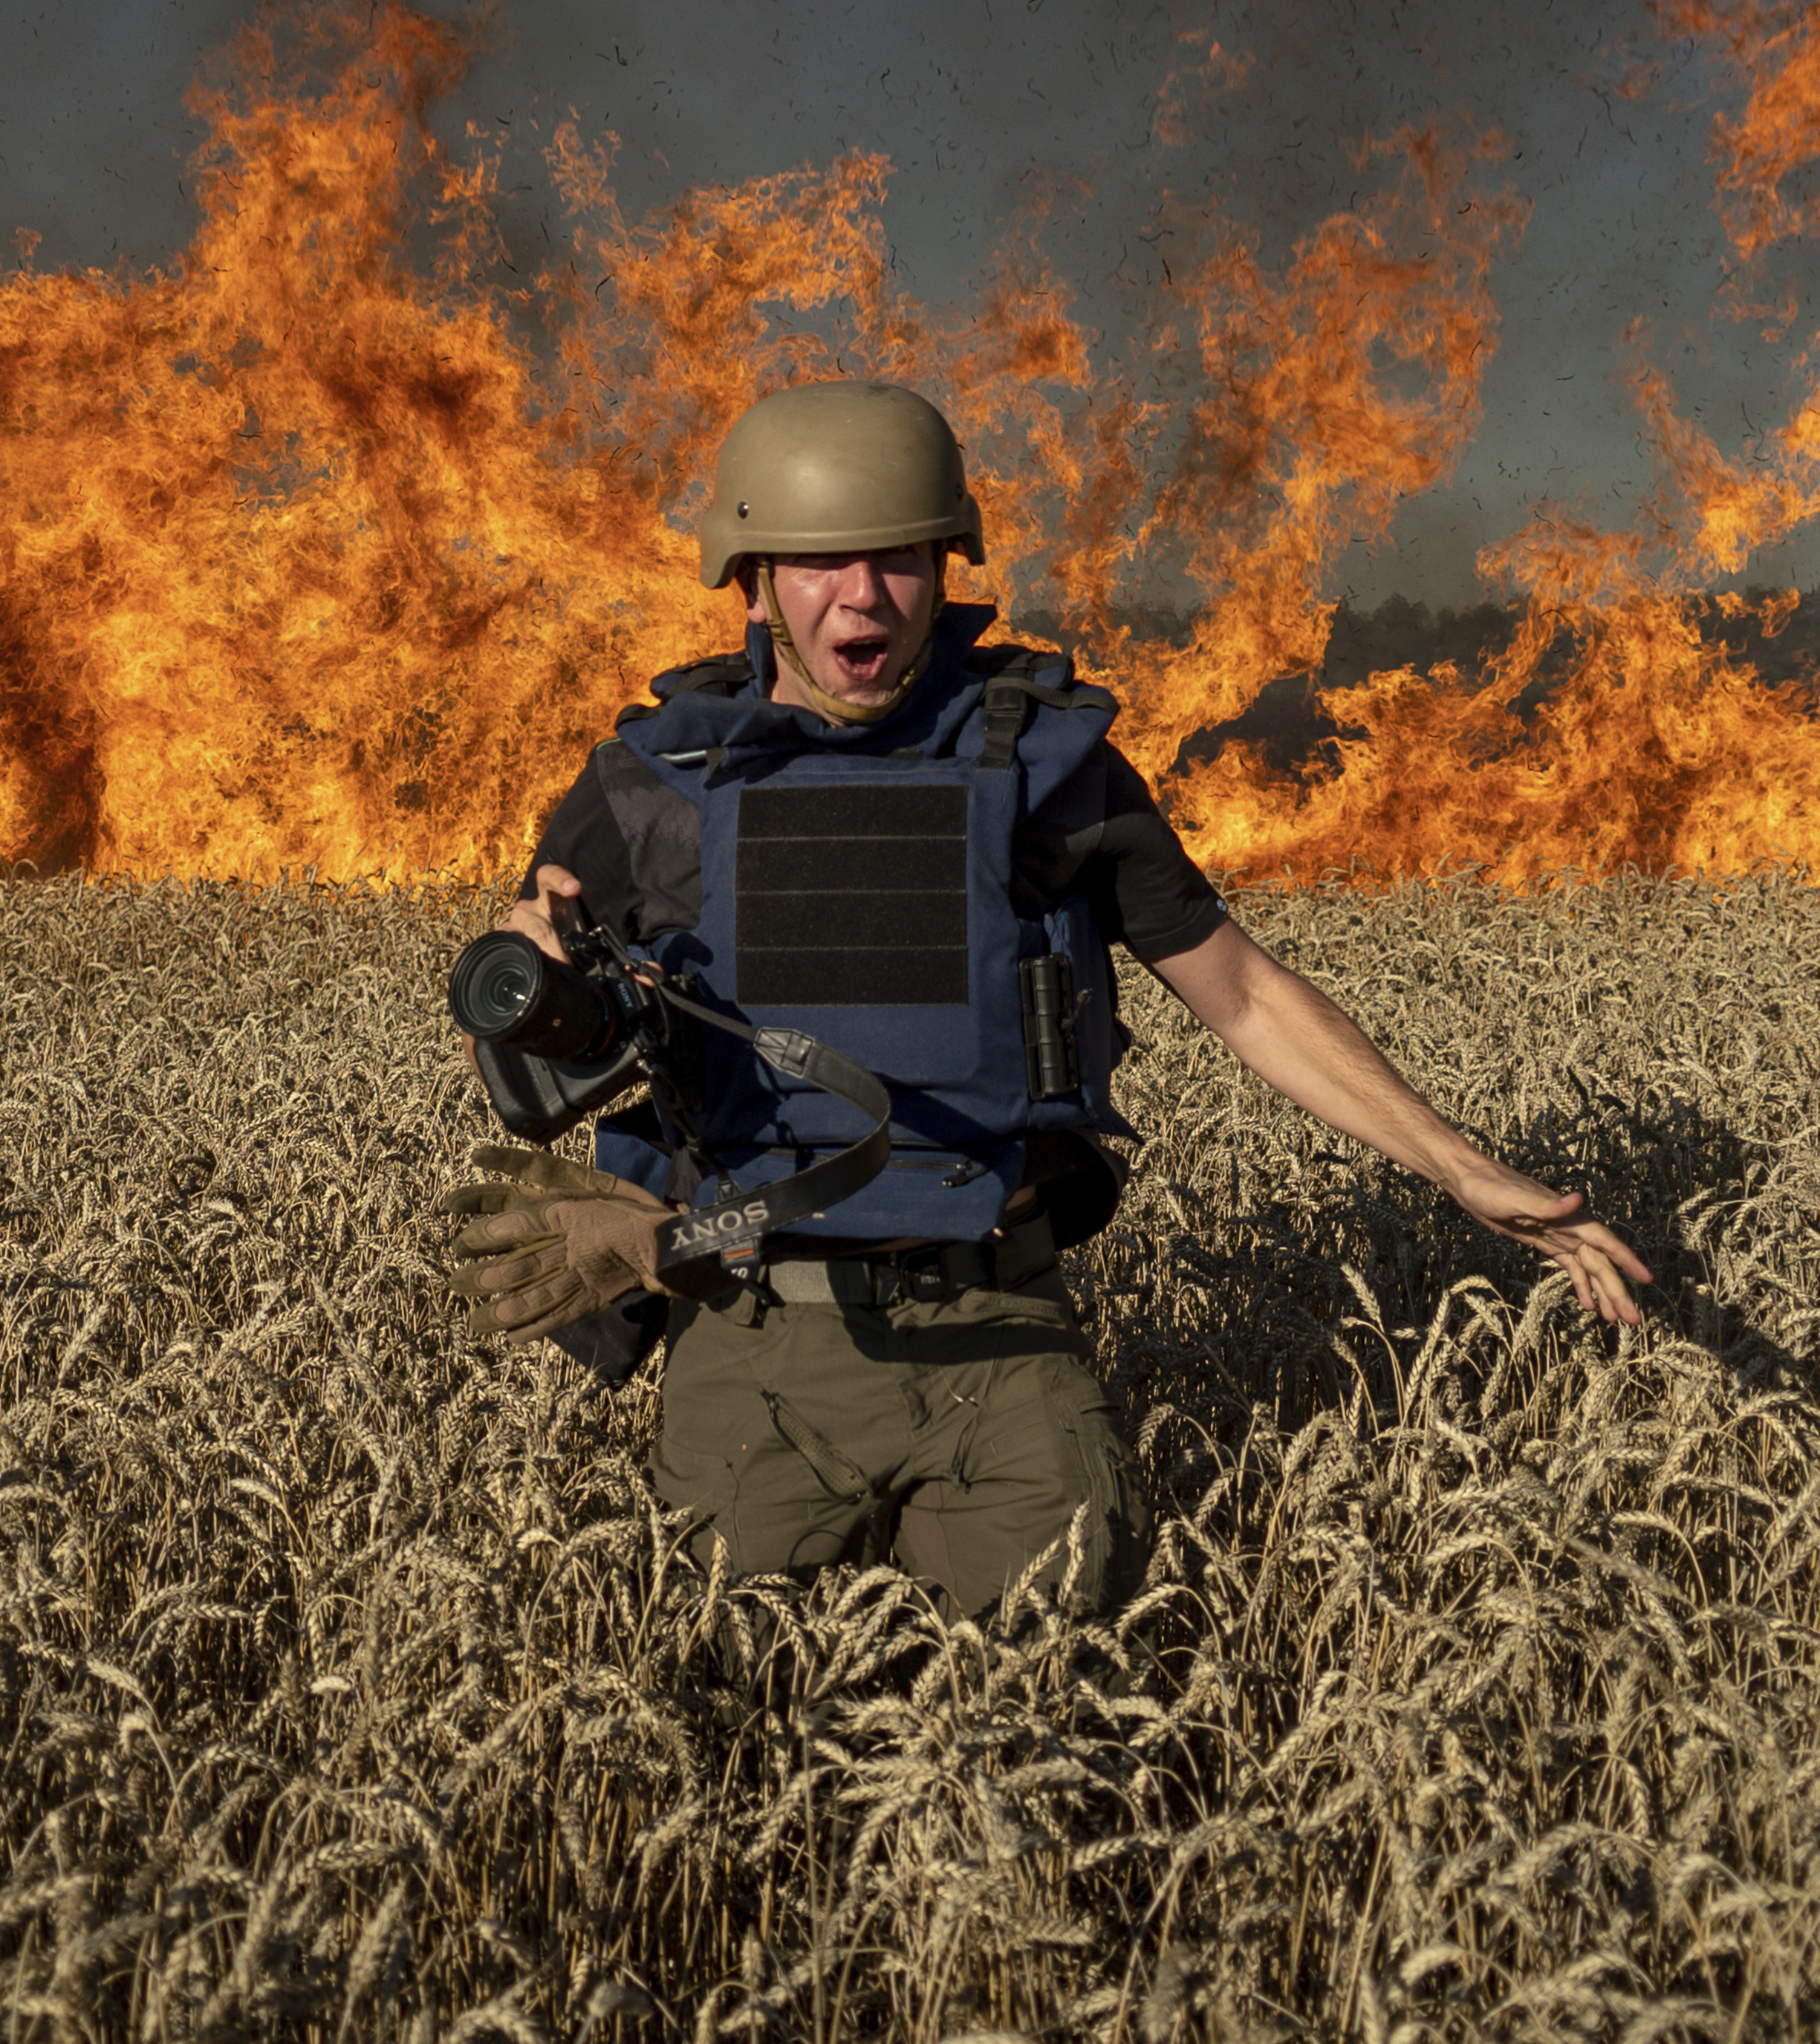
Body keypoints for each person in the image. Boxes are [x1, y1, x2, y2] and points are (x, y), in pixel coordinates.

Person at [441, 377, 1650, 1622]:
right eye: (820, 563)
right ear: (751, 579)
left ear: (945, 562)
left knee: (1052, 1704)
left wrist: (1459, 1169)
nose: (864, 597)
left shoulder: (1042, 763)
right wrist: (535, 995)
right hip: (753, 1341)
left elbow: (1238, 993)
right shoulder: (649, 788)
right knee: (738, 1741)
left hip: (1000, 1335)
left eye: (900, 557)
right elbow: (534, 1066)